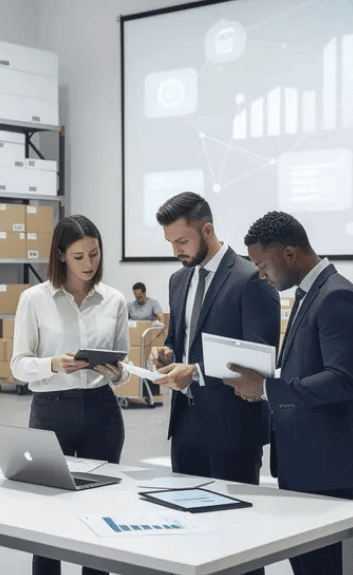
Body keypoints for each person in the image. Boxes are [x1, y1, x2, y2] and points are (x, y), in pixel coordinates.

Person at [226, 211, 353, 575]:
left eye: (263, 264)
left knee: (321, 568)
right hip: (306, 462)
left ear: (289, 254)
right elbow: (307, 368)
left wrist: (266, 389)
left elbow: (343, 380)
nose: (260, 274)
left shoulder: (337, 297)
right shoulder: (312, 292)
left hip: (326, 466)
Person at [10, 214, 130, 575]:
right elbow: (18, 364)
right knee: (48, 513)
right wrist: (52, 365)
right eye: (79, 257)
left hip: (102, 413)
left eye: (94, 255)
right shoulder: (34, 299)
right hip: (51, 413)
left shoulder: (115, 301)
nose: (89, 264)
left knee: (99, 513)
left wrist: (118, 372)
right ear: (60, 255)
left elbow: (124, 369)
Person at [148, 192, 278, 488]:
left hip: (233, 431)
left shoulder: (252, 279)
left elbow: (259, 358)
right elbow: (177, 339)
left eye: (182, 242)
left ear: (207, 230)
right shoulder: (178, 280)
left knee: (233, 527)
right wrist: (167, 355)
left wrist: (194, 372)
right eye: (170, 243)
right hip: (184, 429)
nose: (175, 251)